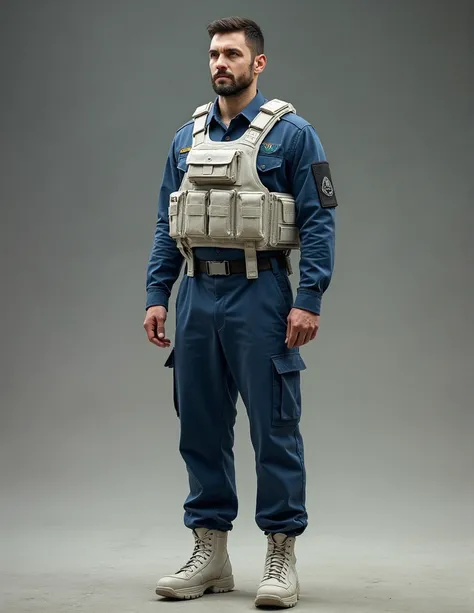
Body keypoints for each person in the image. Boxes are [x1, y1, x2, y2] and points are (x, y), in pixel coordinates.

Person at [143, 16, 337, 609]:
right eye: (213, 54)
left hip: (261, 293)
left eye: (231, 53)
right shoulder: (186, 138)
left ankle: (281, 554)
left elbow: (320, 220)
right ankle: (211, 553)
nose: (219, 63)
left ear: (258, 63)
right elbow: (166, 221)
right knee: (199, 425)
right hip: (198, 296)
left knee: (273, 427)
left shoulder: (294, 135)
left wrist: (309, 297)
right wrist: (157, 293)